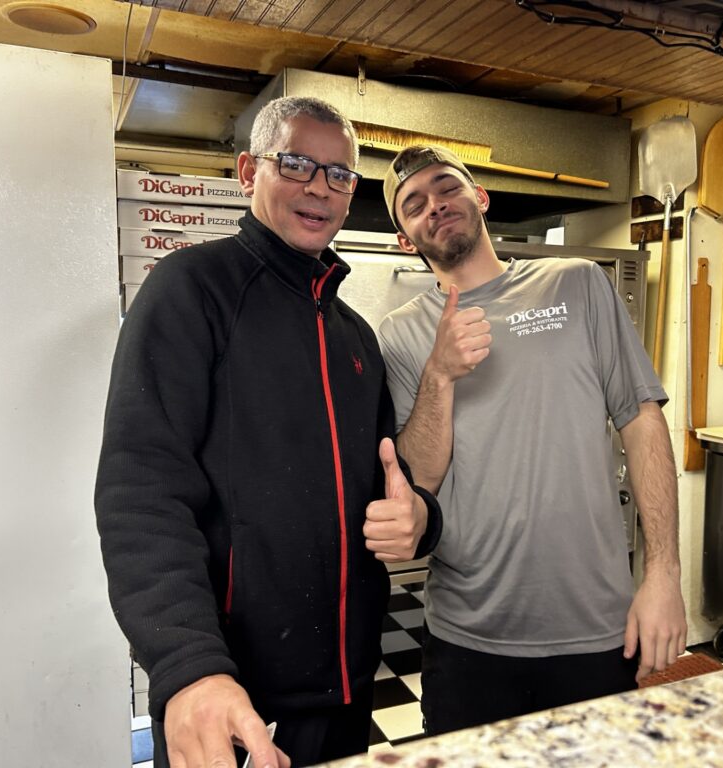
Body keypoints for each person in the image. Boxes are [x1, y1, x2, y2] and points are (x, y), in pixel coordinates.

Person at [94, 98, 441, 768]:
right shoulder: (191, 289)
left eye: (339, 174)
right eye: (298, 163)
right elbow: (141, 494)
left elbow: (382, 491)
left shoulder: (355, 338)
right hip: (234, 694)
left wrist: (423, 519)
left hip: (345, 688)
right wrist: (189, 666)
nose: (320, 186)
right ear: (250, 170)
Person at [377, 145, 687, 735]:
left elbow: (642, 421)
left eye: (447, 188)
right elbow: (419, 480)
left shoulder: (577, 284)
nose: (435, 206)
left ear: (481, 198)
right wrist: (438, 374)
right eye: (414, 205)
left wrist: (663, 573)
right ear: (405, 239)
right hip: (467, 636)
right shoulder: (401, 334)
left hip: (594, 628)